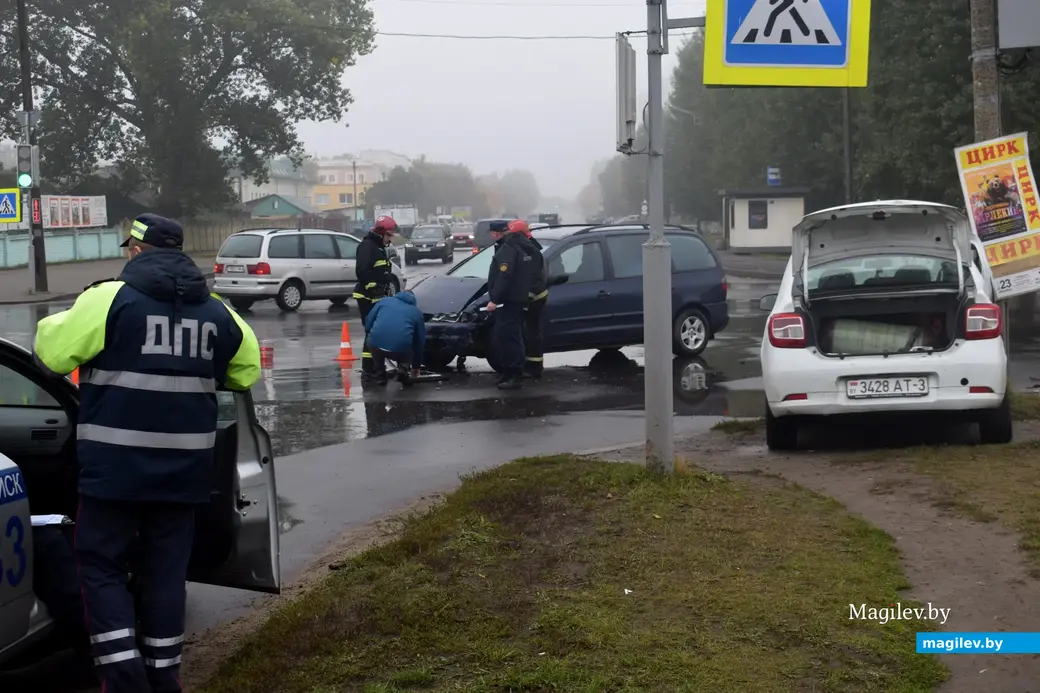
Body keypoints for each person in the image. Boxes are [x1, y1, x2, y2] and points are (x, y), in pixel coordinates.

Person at [32, 213, 261, 693]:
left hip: (113, 473)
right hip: (184, 476)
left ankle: (124, 679)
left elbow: (51, 355)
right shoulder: (218, 312)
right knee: (165, 575)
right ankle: (163, 678)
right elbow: (245, 372)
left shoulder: (108, 299)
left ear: (136, 251)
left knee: (101, 569)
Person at [486, 220, 536, 390]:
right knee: (508, 335)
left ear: (497, 232)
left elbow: (504, 275)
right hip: (515, 298)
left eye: (492, 232)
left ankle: (514, 374)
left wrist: (495, 299)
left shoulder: (509, 248)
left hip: (509, 300)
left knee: (509, 337)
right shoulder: (516, 245)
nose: (491, 235)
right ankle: (509, 373)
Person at [354, 216, 398, 376]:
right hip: (367, 297)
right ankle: (369, 368)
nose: (390, 239)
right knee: (372, 332)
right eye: (389, 235)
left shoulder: (378, 247)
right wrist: (374, 287)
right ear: (381, 234)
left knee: (376, 331)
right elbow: (362, 271)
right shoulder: (367, 247)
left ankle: (375, 366)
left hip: (377, 297)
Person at [508, 220, 548, 379]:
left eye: (512, 234)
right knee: (528, 331)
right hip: (530, 295)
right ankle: (530, 365)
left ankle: (534, 368)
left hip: (535, 296)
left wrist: (525, 299)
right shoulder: (528, 246)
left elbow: (534, 279)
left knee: (531, 332)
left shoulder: (530, 251)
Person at [364, 290, 426, 386]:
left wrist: (370, 333)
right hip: (400, 347)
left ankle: (380, 375)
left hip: (376, 343)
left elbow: (369, 322)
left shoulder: (384, 301)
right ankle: (403, 369)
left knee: (372, 343)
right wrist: (416, 367)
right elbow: (419, 342)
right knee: (408, 351)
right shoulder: (417, 312)